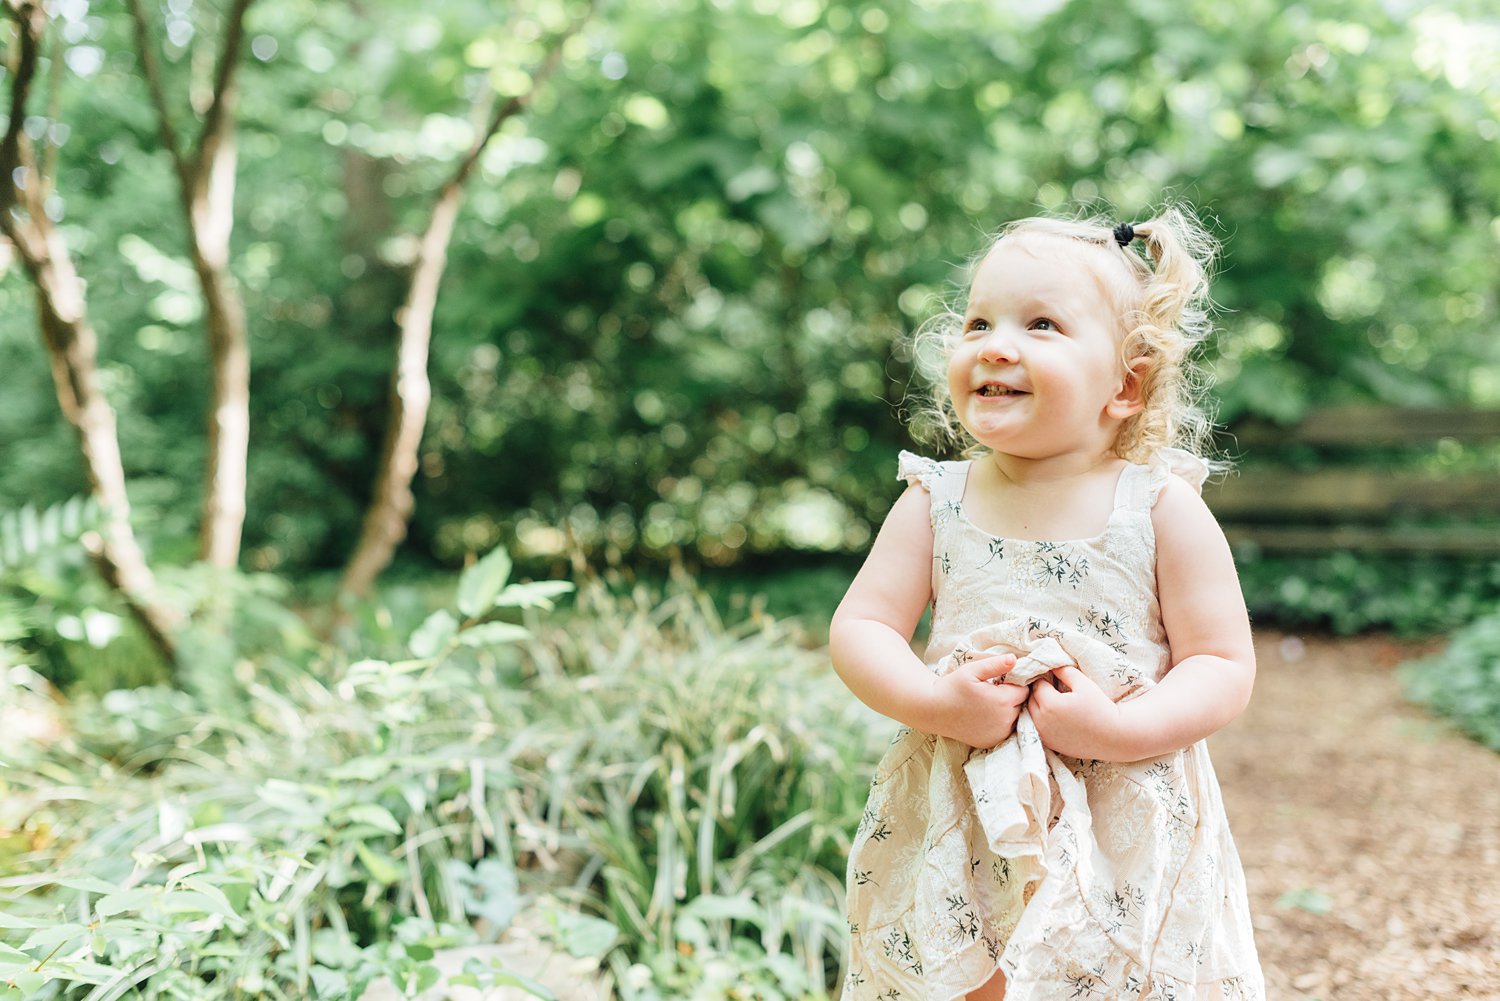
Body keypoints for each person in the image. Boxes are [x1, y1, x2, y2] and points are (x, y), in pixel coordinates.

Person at [829, 208, 1264, 1000]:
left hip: (1120, 816)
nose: (997, 343)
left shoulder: (1160, 507)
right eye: (979, 321)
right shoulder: (935, 501)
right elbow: (861, 628)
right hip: (966, 808)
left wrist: (1124, 727)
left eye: (1041, 324)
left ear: (1125, 384)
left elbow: (1223, 663)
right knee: (969, 974)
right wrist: (933, 699)